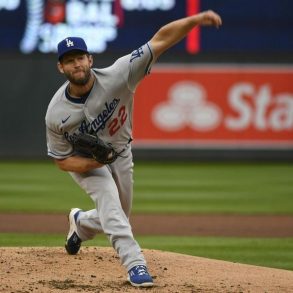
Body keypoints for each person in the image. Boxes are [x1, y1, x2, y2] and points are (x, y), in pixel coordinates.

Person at [45, 10, 222, 287]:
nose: (76, 64)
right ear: (61, 68)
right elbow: (62, 161)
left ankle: (81, 223)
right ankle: (135, 265)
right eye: (69, 61)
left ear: (90, 59)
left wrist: (195, 20)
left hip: (122, 152)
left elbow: (160, 40)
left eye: (80, 57)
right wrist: (95, 163)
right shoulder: (56, 114)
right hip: (86, 162)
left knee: (119, 216)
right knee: (112, 208)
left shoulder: (119, 74)